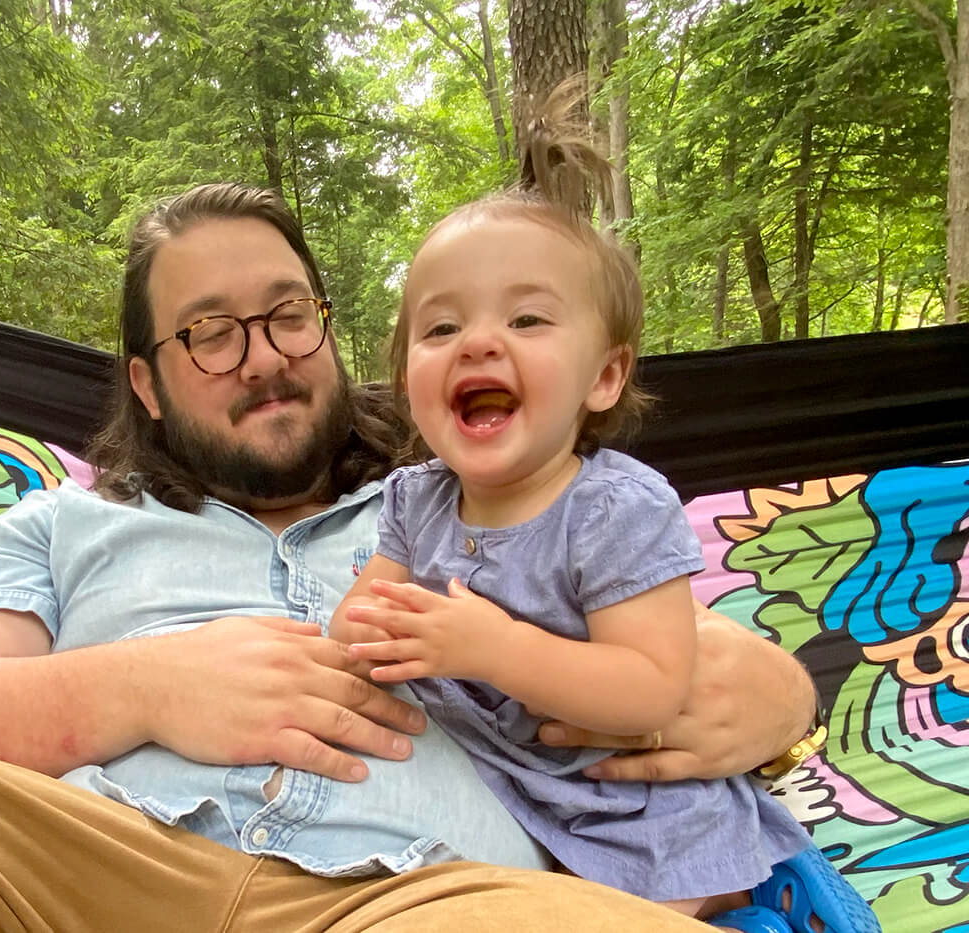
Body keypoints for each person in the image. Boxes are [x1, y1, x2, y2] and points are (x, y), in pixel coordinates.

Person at [0, 180, 824, 932]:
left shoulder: (477, 499)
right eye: (208, 333)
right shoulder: (60, 523)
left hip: (430, 897)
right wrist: (145, 688)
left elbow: (663, 660)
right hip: (57, 875)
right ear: (149, 383)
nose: (262, 353)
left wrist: (777, 689)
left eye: (287, 315)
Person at [329, 99, 877, 933]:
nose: (478, 341)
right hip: (514, 791)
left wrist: (491, 646)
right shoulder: (415, 498)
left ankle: (769, 905)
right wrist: (361, 637)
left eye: (526, 319)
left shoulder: (615, 508)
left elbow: (651, 688)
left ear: (605, 377)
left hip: (636, 806)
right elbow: (365, 621)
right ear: (406, 375)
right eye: (441, 325)